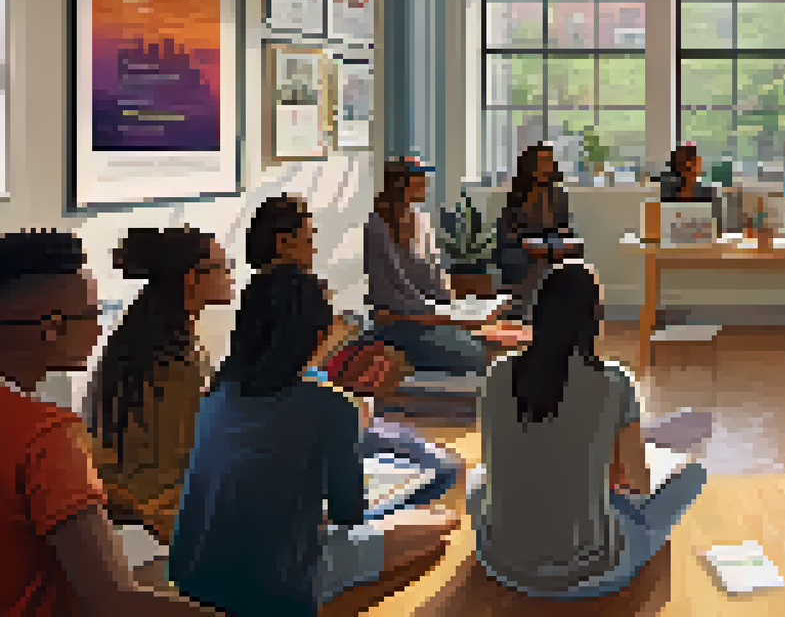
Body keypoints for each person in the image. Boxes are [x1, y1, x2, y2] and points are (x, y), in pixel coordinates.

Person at [169, 225, 460, 617]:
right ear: (319, 335)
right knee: (441, 520)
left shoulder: (218, 393)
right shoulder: (330, 406)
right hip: (280, 587)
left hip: (193, 577)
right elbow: (348, 514)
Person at [0, 230, 220, 616]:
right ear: (51, 327)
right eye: (92, 314)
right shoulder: (47, 437)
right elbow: (113, 599)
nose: (100, 329)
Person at [473, 263, 707, 599]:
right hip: (590, 572)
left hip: (498, 561)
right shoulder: (614, 382)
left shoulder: (496, 374)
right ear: (594, 320)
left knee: (479, 484)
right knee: (692, 473)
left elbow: (494, 460)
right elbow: (639, 487)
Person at [249, 195, 462, 514]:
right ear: (283, 241)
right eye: (309, 239)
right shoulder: (291, 301)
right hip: (317, 476)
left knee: (413, 450)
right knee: (441, 470)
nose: (314, 248)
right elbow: (347, 508)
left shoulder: (254, 312)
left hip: (318, 424)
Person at [86, 227, 235, 545]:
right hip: (163, 514)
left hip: (138, 504)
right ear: (192, 278)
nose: (230, 275)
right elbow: (185, 456)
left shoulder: (142, 335)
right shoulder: (173, 360)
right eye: (223, 267)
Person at [365, 155, 487, 374]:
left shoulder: (421, 220)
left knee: (479, 348)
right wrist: (436, 316)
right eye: (419, 178)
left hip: (430, 313)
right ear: (401, 183)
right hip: (401, 321)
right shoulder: (377, 227)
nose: (425, 183)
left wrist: (454, 308)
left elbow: (436, 270)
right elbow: (388, 296)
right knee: (472, 357)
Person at [497, 143, 577, 308]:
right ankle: (528, 311)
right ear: (531, 166)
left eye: (549, 160)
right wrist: (538, 245)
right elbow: (511, 234)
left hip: (548, 242)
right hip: (519, 246)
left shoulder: (558, 194)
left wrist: (563, 240)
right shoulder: (519, 194)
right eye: (543, 161)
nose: (547, 165)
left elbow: (564, 228)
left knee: (570, 255)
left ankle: (563, 314)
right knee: (536, 261)